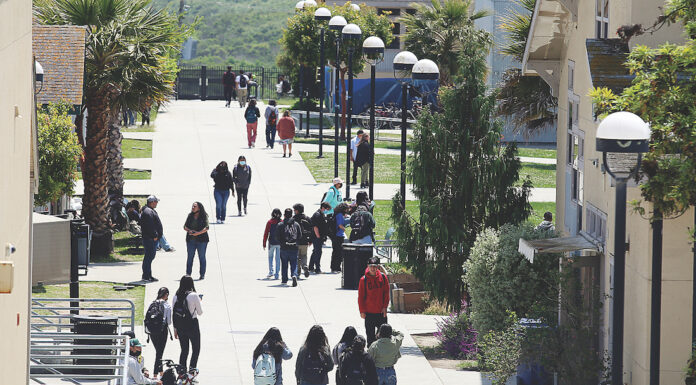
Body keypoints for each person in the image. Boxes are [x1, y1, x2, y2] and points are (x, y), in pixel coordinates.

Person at [172, 275, 203, 373]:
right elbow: (200, 312)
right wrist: (199, 301)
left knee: (184, 350)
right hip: (192, 324)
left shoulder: (175, 296)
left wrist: (175, 329)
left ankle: (182, 372)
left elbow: (174, 314)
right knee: (196, 349)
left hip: (180, 326)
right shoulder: (194, 295)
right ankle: (191, 371)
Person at [358, 257, 390, 346]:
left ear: (378, 267)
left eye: (375, 266)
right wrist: (362, 311)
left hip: (381, 312)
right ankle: (371, 356)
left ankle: (382, 355)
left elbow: (386, 294)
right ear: (368, 267)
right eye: (371, 266)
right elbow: (361, 297)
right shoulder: (363, 280)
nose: (373, 268)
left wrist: (385, 307)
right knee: (370, 338)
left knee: (384, 337)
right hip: (369, 313)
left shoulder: (383, 278)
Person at [145, 287, 172, 375]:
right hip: (162, 331)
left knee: (158, 351)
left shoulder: (152, 303)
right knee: (159, 353)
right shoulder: (167, 305)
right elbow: (169, 322)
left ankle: (161, 372)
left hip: (152, 331)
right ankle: (155, 374)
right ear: (166, 295)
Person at [275, 208, 302, 287]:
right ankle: (294, 275)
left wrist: (281, 243)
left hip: (284, 248)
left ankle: (284, 279)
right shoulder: (296, 224)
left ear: (284, 215)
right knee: (294, 263)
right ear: (292, 215)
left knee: (284, 264)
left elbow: (277, 237)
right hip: (294, 247)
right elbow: (299, 235)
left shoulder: (280, 224)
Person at [140, 195, 163, 282]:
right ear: (152, 202)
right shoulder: (148, 212)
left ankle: (149, 275)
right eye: (156, 202)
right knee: (148, 257)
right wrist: (154, 236)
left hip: (151, 238)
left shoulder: (149, 211)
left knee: (150, 257)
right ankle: (146, 276)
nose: (157, 203)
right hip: (150, 239)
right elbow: (149, 226)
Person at [183, 202, 209, 280]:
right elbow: (185, 226)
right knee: (190, 257)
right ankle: (188, 274)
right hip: (191, 240)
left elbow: (207, 227)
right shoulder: (190, 216)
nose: (193, 207)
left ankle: (202, 274)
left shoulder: (204, 216)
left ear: (199, 208)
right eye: (192, 206)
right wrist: (189, 231)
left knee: (202, 257)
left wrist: (198, 233)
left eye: (195, 206)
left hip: (202, 241)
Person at [309, 202, 331, 274]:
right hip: (317, 237)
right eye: (327, 209)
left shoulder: (321, 214)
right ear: (323, 208)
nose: (327, 211)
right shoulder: (317, 215)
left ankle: (311, 267)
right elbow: (315, 226)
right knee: (318, 252)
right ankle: (317, 268)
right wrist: (318, 236)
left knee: (315, 251)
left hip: (319, 237)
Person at [293, 203, 313, 279]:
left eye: (294, 210)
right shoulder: (307, 218)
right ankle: (304, 265)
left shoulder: (294, 219)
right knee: (304, 255)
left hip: (296, 241)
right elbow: (311, 229)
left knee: (297, 257)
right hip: (305, 241)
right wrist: (310, 240)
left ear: (297, 211)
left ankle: (298, 271)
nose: (294, 211)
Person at [263, 208, 283, 280]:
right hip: (280, 243)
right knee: (278, 259)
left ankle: (271, 271)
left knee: (270, 257)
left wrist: (264, 243)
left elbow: (266, 233)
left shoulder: (270, 222)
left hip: (271, 242)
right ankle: (277, 274)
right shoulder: (282, 222)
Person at [330, 203, 349, 273]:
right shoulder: (340, 215)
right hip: (339, 236)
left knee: (335, 252)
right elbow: (340, 225)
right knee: (339, 253)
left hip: (335, 235)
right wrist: (344, 229)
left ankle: (333, 267)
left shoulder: (336, 214)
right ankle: (337, 267)